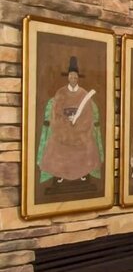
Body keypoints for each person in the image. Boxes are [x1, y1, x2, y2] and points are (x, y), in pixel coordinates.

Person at [37, 56, 103, 184]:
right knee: (57, 144)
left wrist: (78, 122)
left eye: (75, 77)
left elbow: (88, 115)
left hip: (80, 130)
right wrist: (66, 122)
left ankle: (83, 172)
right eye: (71, 76)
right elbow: (56, 114)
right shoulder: (60, 93)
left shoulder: (84, 94)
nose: (73, 79)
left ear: (78, 78)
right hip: (63, 129)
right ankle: (60, 172)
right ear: (68, 77)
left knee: (87, 143)